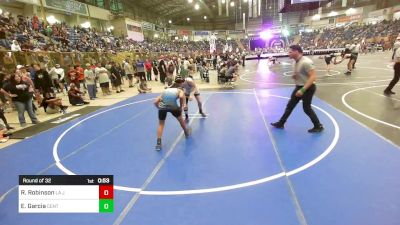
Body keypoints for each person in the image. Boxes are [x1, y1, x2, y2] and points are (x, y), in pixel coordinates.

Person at [270, 45, 323, 133]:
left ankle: (318, 126)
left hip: (308, 88)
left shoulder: (306, 62)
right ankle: (281, 123)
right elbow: (300, 74)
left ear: (296, 51)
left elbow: (313, 77)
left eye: (290, 52)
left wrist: (303, 90)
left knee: (307, 108)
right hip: (299, 87)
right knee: (290, 106)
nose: (288, 54)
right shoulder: (295, 62)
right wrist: (296, 76)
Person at [154, 76, 191, 151]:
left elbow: (155, 101)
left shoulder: (165, 90)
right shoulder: (180, 90)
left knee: (161, 124)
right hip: (173, 107)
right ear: (180, 85)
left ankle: (158, 143)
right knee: (181, 120)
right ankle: (186, 132)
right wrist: (181, 107)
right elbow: (181, 97)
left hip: (162, 107)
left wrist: (159, 108)